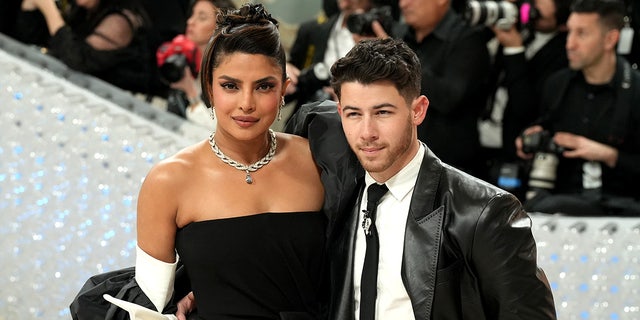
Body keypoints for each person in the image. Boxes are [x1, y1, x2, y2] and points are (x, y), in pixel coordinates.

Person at [288, 38, 556, 319]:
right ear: (340, 112)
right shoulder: (337, 192)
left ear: (418, 110)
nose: (366, 132)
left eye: (382, 112)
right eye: (354, 114)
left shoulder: (483, 212)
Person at [105, 4, 327, 319]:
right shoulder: (169, 182)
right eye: (230, 86)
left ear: (284, 91)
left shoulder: (316, 160)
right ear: (209, 87)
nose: (246, 103)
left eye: (264, 86)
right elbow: (150, 306)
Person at [515, 0, 640, 216]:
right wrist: (532, 138)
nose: (569, 43)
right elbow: (545, 125)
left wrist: (608, 155)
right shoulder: (557, 85)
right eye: (570, 31)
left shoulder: (635, 91)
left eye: (581, 34)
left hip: (625, 208)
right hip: (560, 204)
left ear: (610, 39)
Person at [373, 0, 492, 176]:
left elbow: (449, 98)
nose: (404, 4)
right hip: (396, 162)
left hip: (450, 169)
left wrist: (395, 59)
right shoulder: (399, 34)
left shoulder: (468, 37)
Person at [478, 0, 571, 194]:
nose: (534, 7)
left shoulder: (565, 53)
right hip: (482, 144)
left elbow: (526, 107)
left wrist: (514, 50)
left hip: (518, 154)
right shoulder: (522, 30)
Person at [15, 0, 154, 95]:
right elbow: (36, 44)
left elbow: (78, 60)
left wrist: (50, 12)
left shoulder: (121, 20)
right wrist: (31, 7)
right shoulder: (81, 9)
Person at [163, 0, 236, 128]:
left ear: (221, 28)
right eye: (192, 15)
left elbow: (218, 135)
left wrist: (192, 94)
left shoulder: (228, 78)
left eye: (201, 18)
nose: (190, 21)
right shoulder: (184, 60)